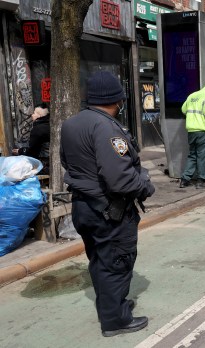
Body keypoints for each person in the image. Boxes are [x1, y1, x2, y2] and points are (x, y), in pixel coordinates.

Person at [60, 70, 155, 337]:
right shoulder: (107, 128)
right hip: (109, 211)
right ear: (118, 99)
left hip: (84, 207)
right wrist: (146, 185)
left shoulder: (71, 124)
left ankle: (111, 306)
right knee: (117, 262)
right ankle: (116, 320)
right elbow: (121, 179)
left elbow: (66, 162)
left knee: (100, 260)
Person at [179, 82, 205, 189]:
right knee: (202, 156)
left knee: (192, 155)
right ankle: (201, 181)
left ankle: (184, 180)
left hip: (191, 131)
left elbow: (183, 110)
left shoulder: (192, 95)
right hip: (203, 132)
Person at [12, 103, 50, 174]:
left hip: (44, 164)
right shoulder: (50, 125)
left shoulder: (38, 129)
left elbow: (33, 152)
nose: (32, 115)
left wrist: (20, 151)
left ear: (39, 116)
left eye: (34, 113)